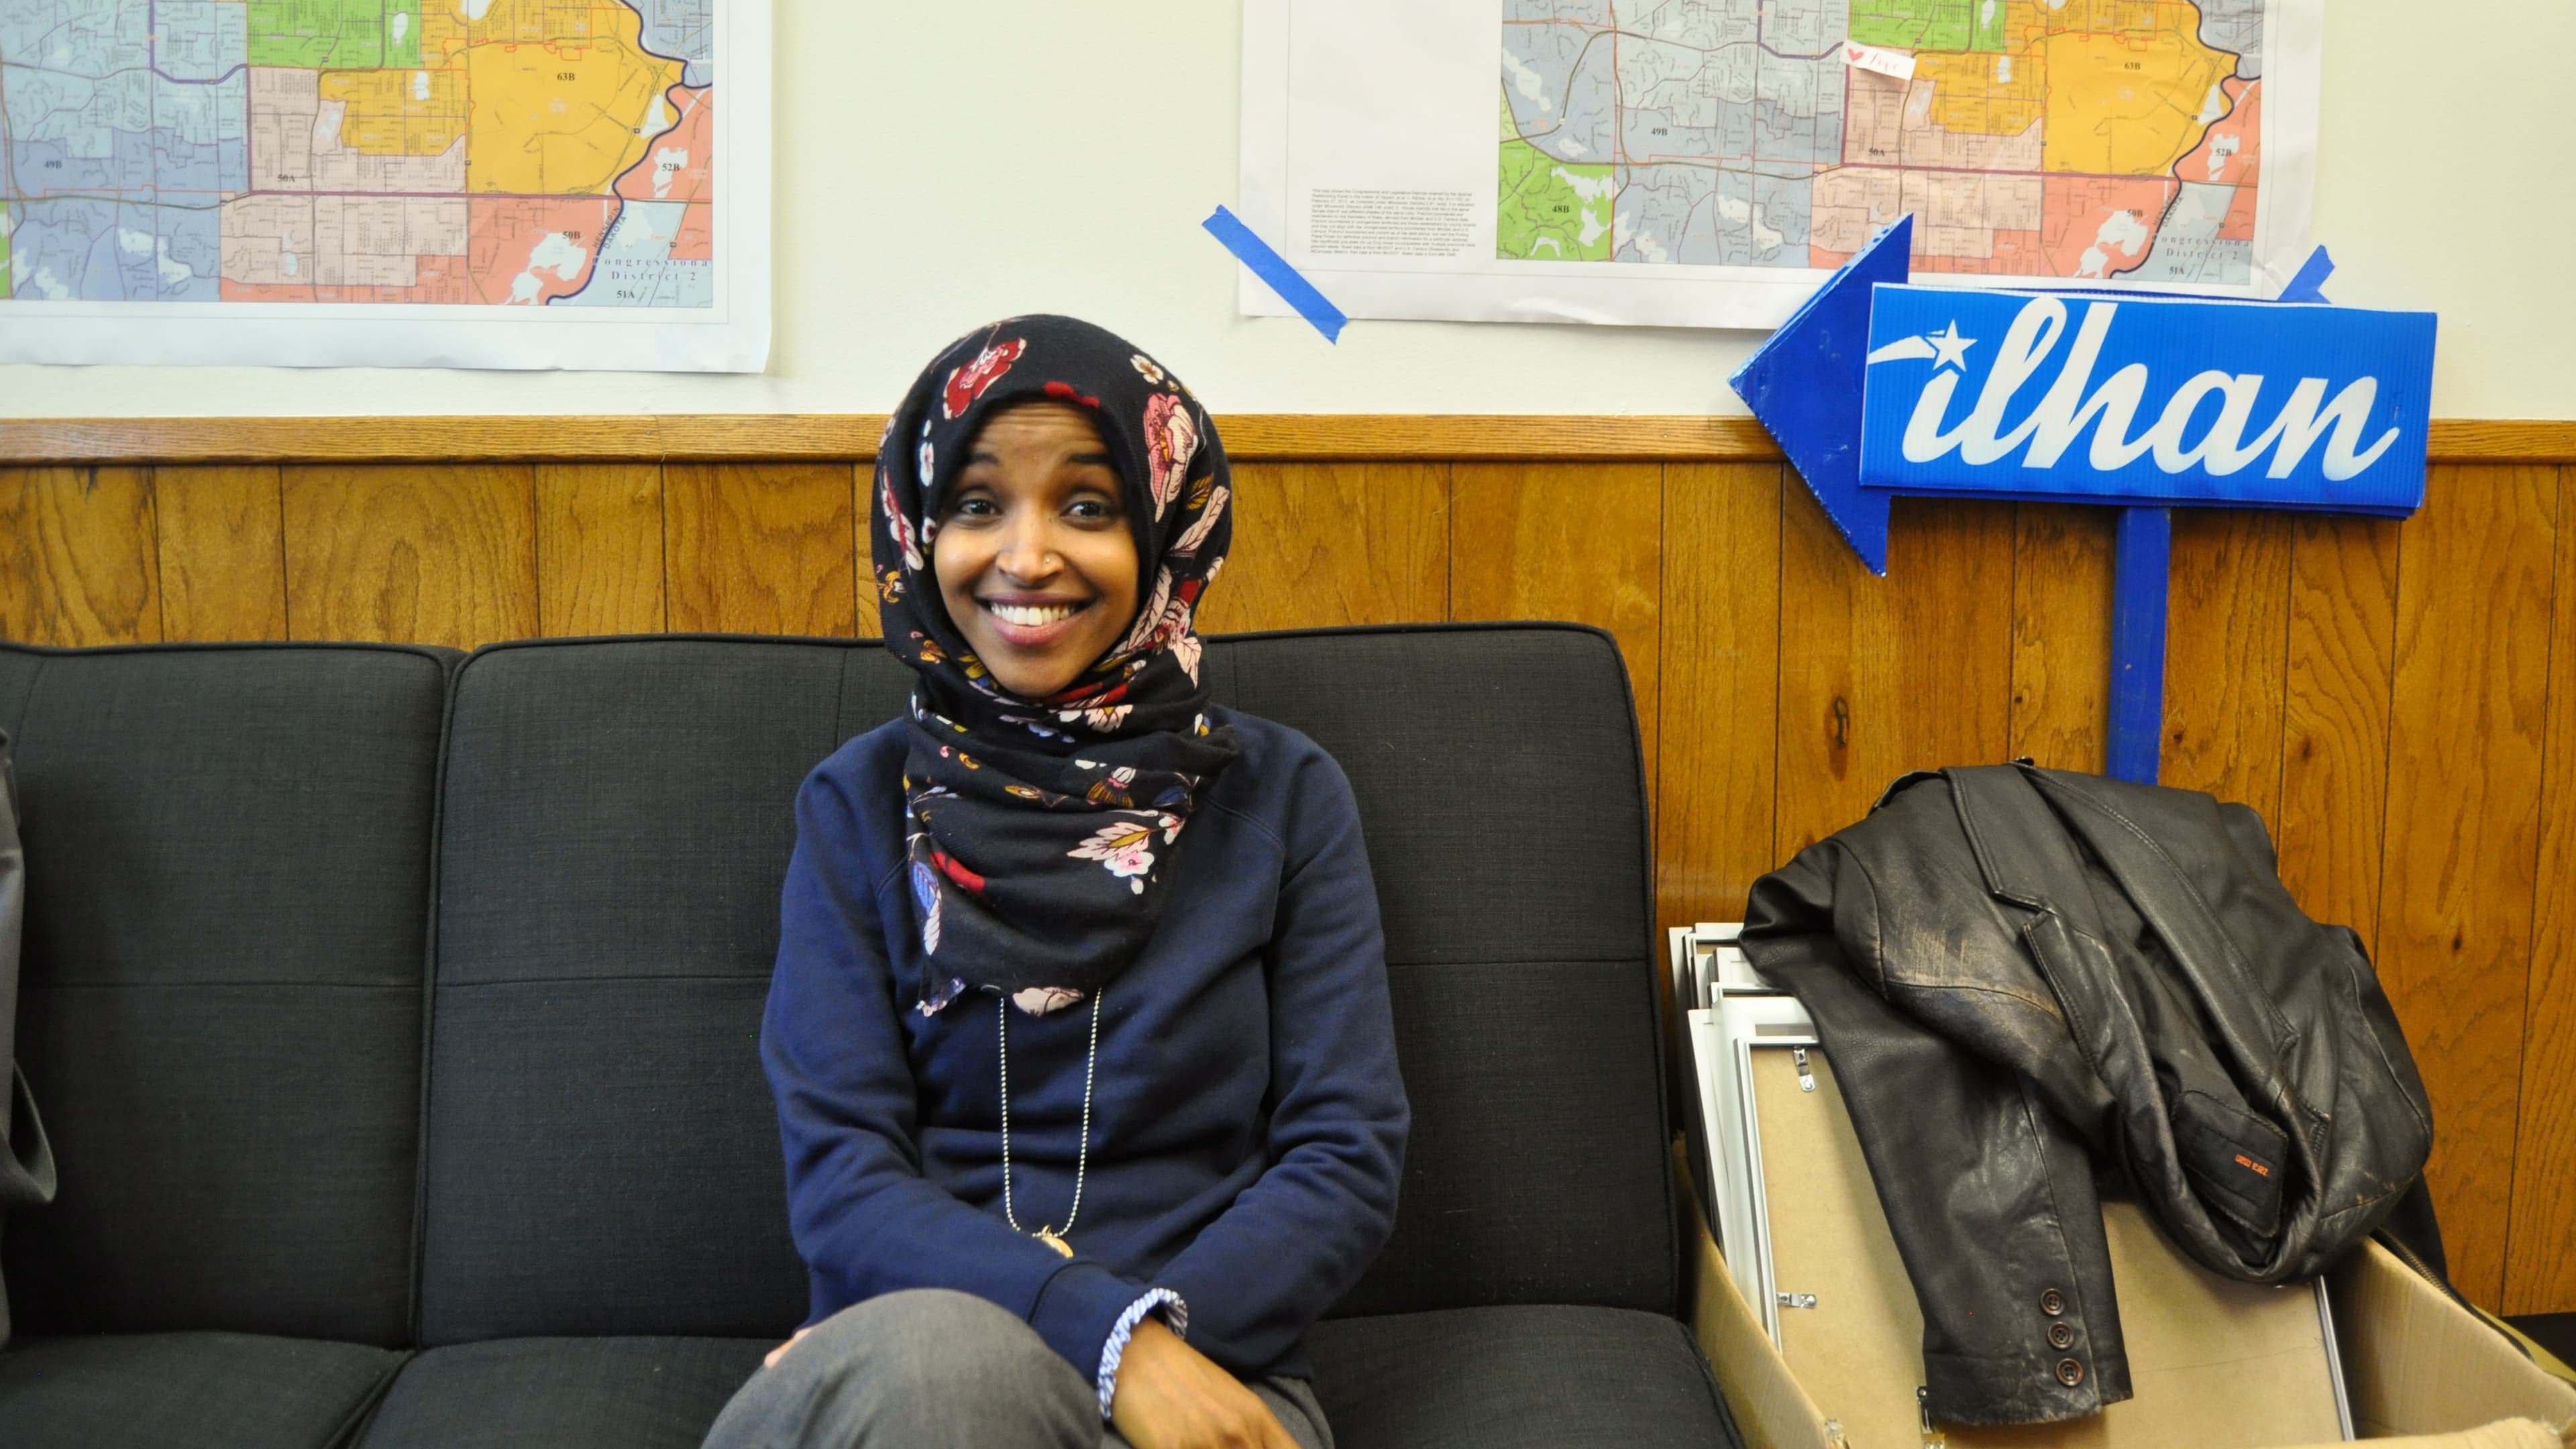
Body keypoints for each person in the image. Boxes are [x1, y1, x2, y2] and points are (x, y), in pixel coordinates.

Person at [702, 317, 1410, 1449]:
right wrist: (1105, 1338)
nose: (1026, 559)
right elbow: (844, 1176)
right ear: (919, 532)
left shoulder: (1286, 796)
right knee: (945, 1377)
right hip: (918, 1366)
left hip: (1213, 1372)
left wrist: (1160, 1348)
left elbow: (1344, 1150)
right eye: (978, 506)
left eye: (1087, 506)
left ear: (1168, 529)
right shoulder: (856, 802)